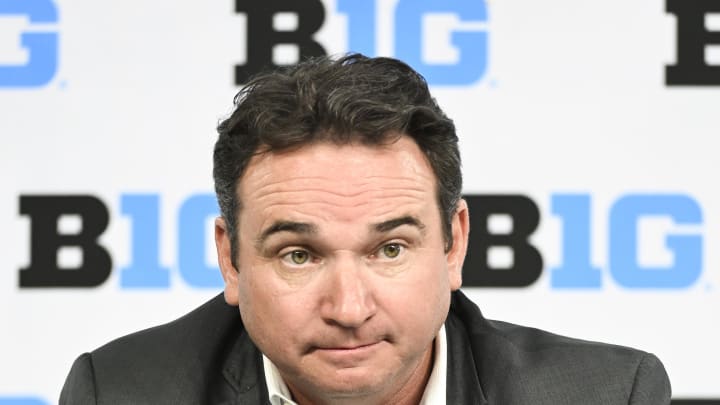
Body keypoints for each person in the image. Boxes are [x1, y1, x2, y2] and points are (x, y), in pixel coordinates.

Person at [60, 54, 671, 404]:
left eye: (390, 249)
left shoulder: (608, 396)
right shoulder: (120, 394)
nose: (349, 308)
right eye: (298, 255)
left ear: (454, 244)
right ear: (231, 260)